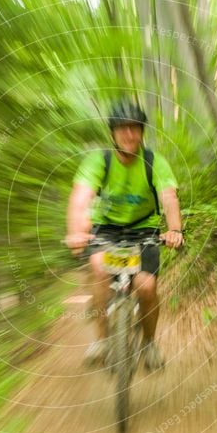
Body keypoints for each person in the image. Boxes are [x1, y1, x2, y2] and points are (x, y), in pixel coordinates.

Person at [65, 100, 183, 370]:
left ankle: (149, 344)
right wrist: (75, 232)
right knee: (98, 269)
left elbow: (169, 197)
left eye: (135, 128)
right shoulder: (99, 161)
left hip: (144, 230)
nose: (129, 134)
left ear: (142, 132)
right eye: (122, 129)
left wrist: (174, 229)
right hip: (107, 230)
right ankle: (103, 341)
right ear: (113, 133)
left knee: (147, 287)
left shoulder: (154, 162)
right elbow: (81, 197)